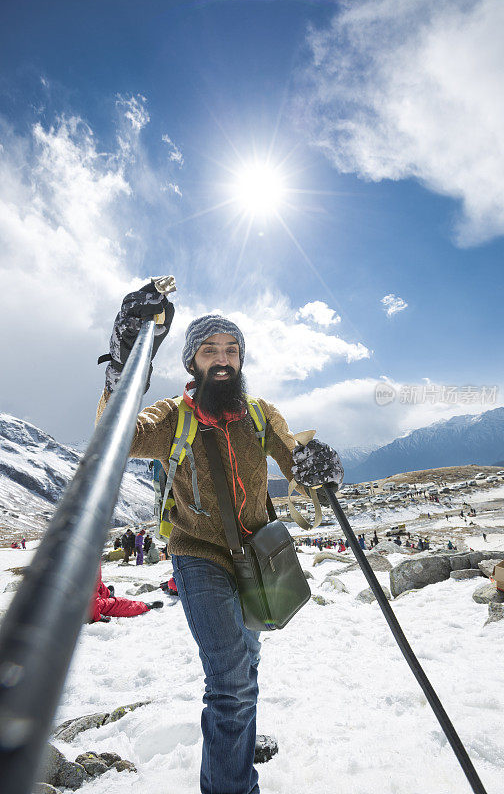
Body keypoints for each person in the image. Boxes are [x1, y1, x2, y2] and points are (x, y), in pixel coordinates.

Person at [96, 282, 343, 794]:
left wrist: (321, 465)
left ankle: (235, 757)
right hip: (198, 556)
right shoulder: (172, 418)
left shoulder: (259, 414)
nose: (223, 360)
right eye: (210, 351)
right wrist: (122, 356)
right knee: (230, 682)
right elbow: (111, 434)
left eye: (231, 350)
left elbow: (296, 459)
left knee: (245, 668)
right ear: (193, 362)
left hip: (257, 556)